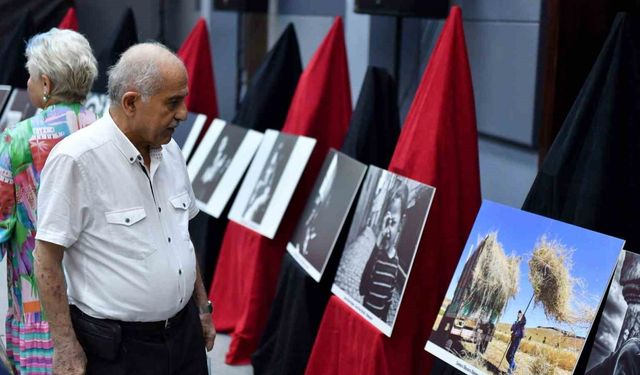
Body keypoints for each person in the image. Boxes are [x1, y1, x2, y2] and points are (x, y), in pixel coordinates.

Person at [33, 43, 215, 375]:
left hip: (185, 336)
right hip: (119, 350)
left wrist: (203, 309)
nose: (184, 113)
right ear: (131, 102)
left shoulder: (171, 151)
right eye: (173, 102)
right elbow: (46, 257)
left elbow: (181, 238)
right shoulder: (76, 160)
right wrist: (65, 346)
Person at [0, 28, 98, 374]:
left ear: (45, 83)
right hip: (100, 308)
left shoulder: (15, 141)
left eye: (29, 75)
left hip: (37, 310)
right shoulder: (108, 133)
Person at [358, 183, 408, 322]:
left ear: (401, 224)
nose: (387, 230)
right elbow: (362, 288)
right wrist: (376, 247)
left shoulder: (396, 264)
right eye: (386, 222)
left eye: (392, 223)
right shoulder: (377, 255)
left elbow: (388, 300)